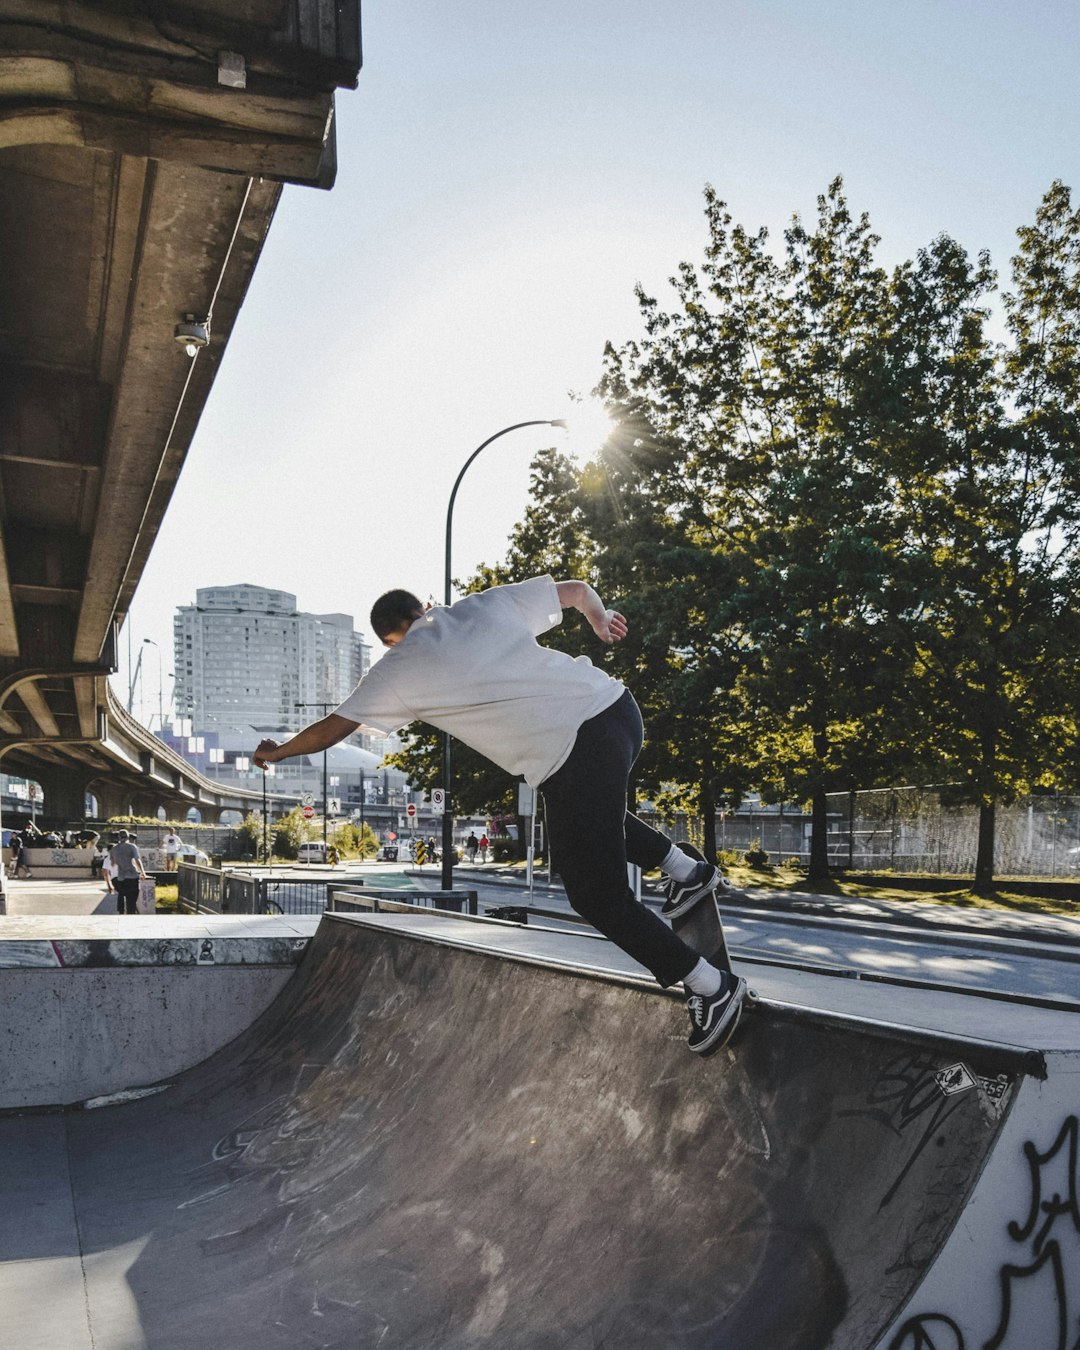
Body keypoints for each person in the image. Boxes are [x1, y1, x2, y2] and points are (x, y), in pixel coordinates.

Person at [254, 577, 745, 1056]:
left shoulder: (397, 666)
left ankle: (710, 987)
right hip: (616, 709)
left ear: (389, 639)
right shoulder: (479, 606)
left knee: (596, 895)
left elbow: (330, 729)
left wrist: (278, 753)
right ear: (425, 606)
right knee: (586, 816)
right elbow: (576, 591)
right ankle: (688, 871)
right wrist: (600, 620)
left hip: (572, 750)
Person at [108, 829, 149, 915]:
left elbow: (112, 863)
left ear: (118, 837)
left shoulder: (114, 849)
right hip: (132, 875)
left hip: (121, 877)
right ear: (127, 837)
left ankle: (122, 911)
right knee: (132, 900)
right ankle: (131, 914)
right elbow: (137, 860)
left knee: (123, 895)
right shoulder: (132, 847)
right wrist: (143, 872)